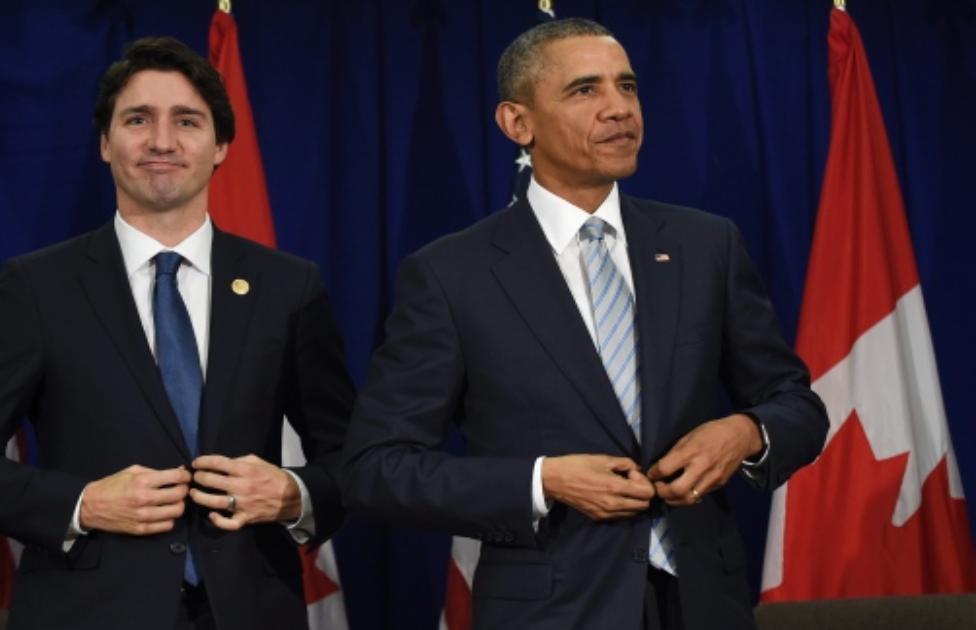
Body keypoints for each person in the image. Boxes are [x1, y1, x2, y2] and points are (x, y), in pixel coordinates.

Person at [342, 18, 827, 630]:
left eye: (627, 87)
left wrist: (745, 432)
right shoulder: (450, 273)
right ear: (517, 123)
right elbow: (377, 469)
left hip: (704, 601)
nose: (619, 109)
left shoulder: (706, 245)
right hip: (552, 609)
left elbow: (796, 404)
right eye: (585, 91)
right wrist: (544, 482)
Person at [0, 37, 355, 630]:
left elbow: (351, 457)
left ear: (221, 145)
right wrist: (81, 504)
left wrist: (294, 496)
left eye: (187, 121)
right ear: (105, 143)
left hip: (250, 611)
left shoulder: (288, 287)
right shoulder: (39, 287)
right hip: (87, 613)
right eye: (137, 119)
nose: (162, 142)